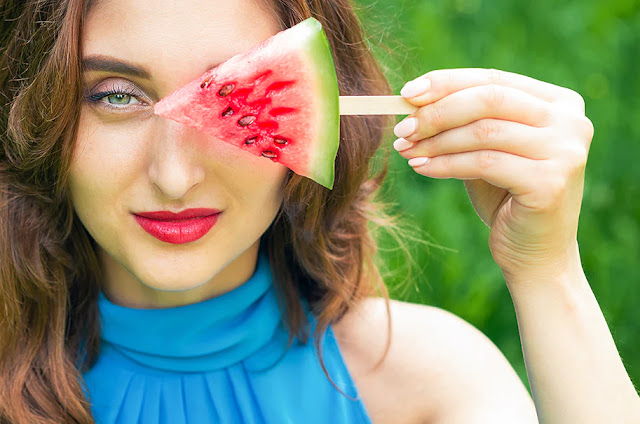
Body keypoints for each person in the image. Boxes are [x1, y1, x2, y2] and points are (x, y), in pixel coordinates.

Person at [0, 0, 638, 423]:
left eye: (236, 101)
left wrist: (547, 272)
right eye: (115, 96)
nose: (174, 176)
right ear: (34, 116)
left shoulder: (424, 387)